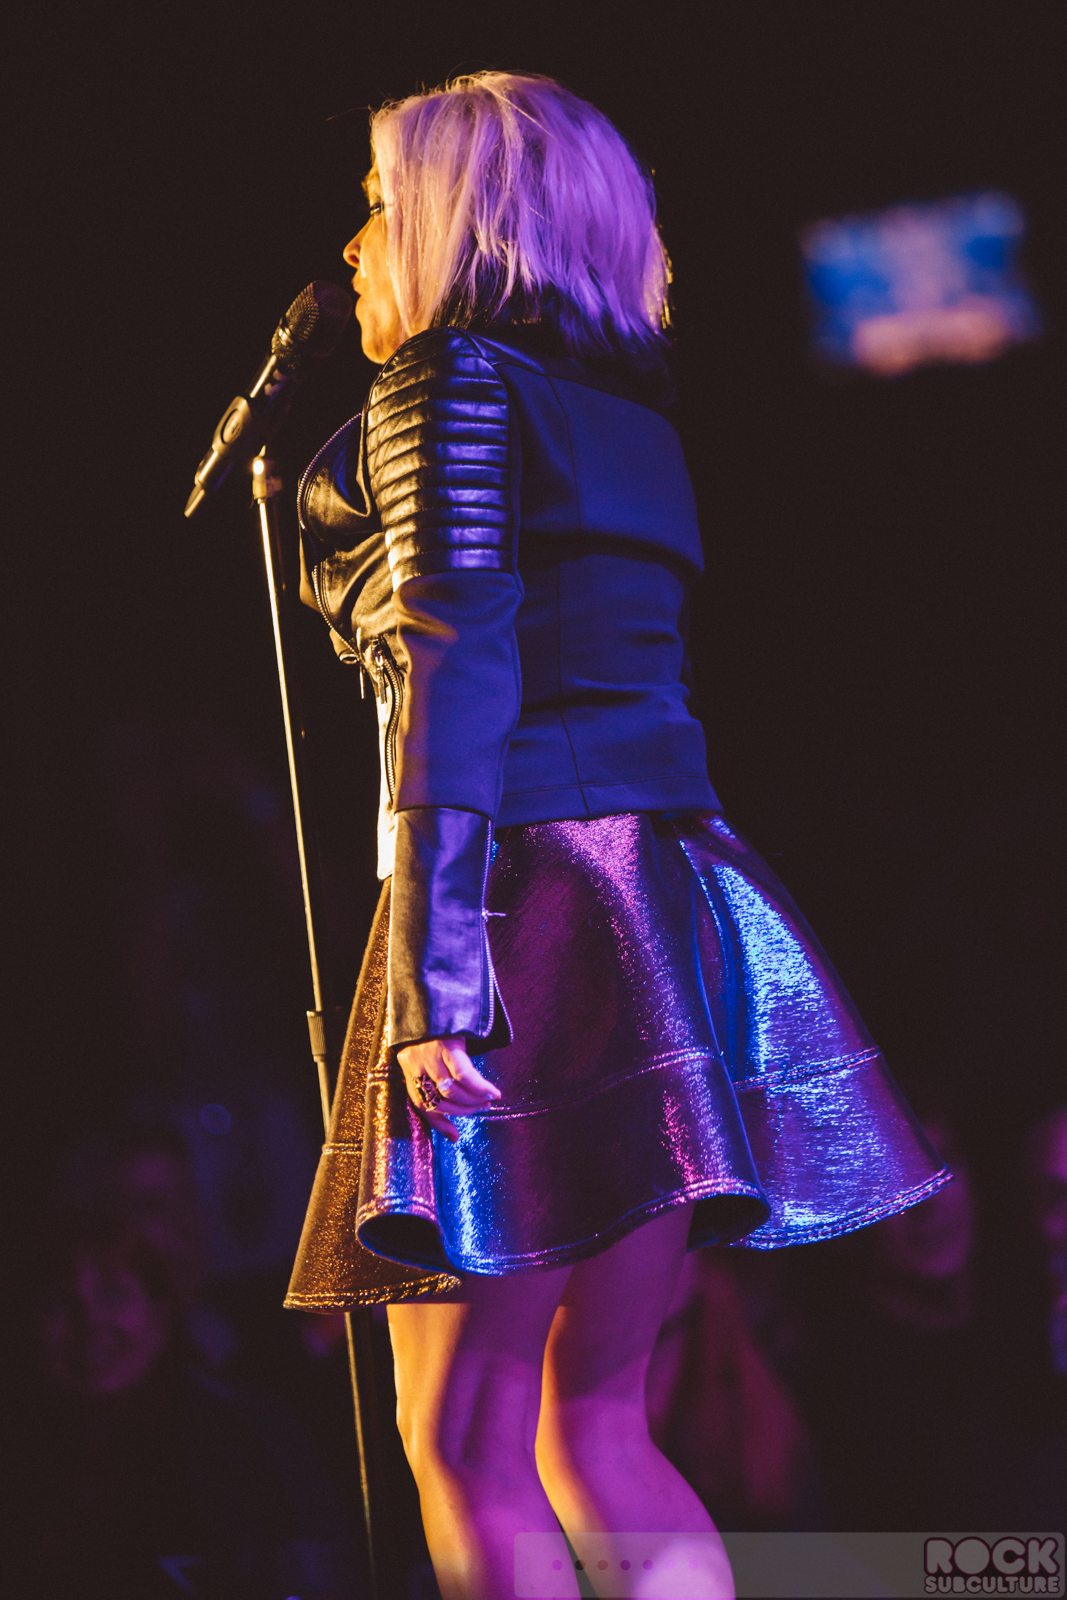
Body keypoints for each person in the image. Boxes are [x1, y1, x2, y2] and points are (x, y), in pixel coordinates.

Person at [284, 72, 950, 1600]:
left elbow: (456, 658)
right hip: (655, 893)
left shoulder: (453, 382)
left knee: (463, 1432)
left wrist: (439, 971)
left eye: (382, 205)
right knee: (594, 1420)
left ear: (460, 220)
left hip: (513, 891)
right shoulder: (627, 419)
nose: (359, 243)